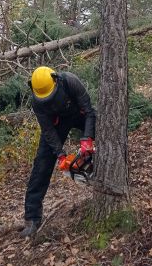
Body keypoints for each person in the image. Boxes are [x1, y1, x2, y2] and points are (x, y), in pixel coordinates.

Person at [20, 66, 96, 237]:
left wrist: (88, 138)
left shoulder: (70, 81)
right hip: (57, 124)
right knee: (41, 165)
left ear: (56, 80)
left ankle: (103, 169)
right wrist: (60, 155)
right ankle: (32, 218)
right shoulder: (36, 100)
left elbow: (89, 111)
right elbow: (47, 130)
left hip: (80, 114)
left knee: (104, 130)